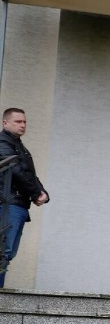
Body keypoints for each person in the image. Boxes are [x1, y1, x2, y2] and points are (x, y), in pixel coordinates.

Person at [0, 108, 49, 288]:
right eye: (18, 121)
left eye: (24, 122)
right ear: (5, 123)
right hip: (8, 204)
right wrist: (36, 193)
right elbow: (16, 171)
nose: (23, 125)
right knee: (3, 251)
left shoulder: (19, 145)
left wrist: (43, 193)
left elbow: (30, 174)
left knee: (8, 253)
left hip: (19, 204)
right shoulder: (3, 142)